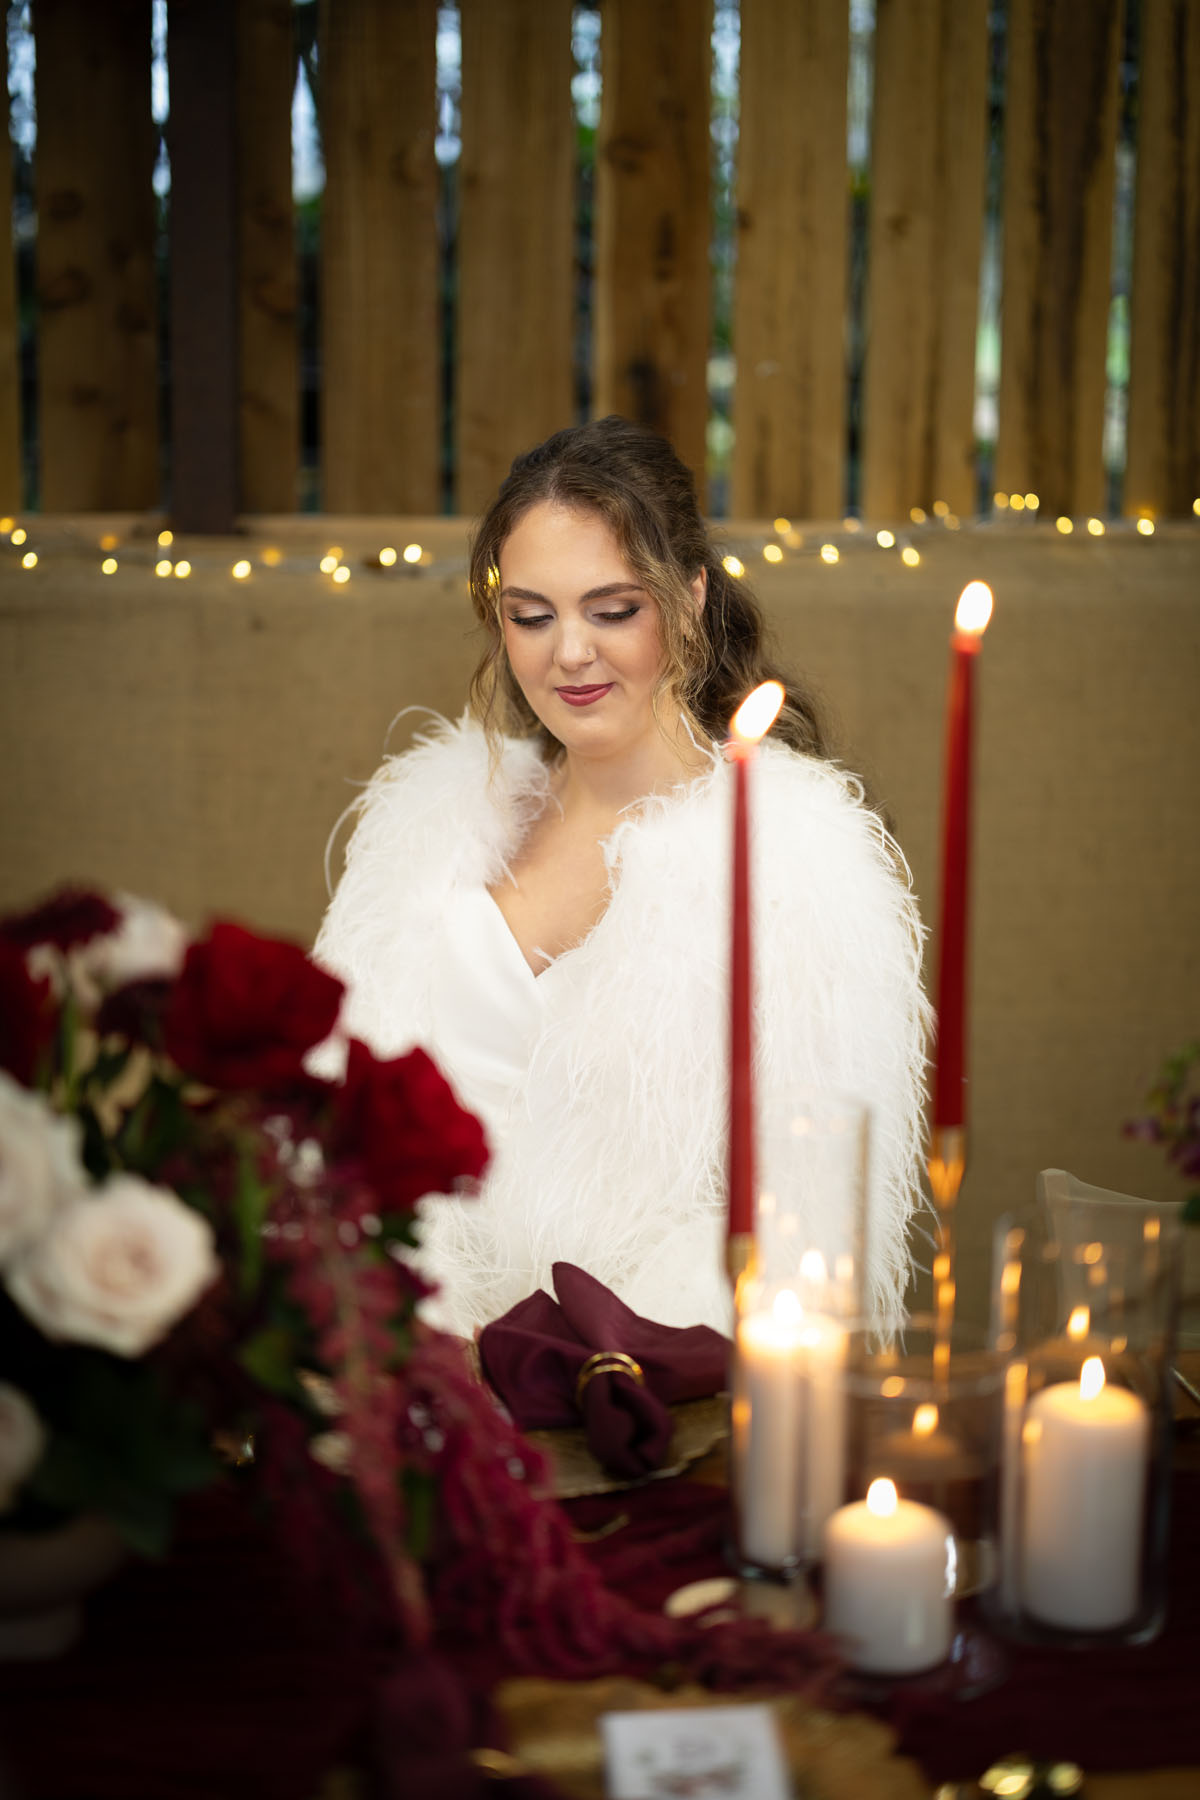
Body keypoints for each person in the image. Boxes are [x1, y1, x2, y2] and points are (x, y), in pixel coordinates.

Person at [313, 416, 930, 1336]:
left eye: (611, 610)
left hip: (653, 1394)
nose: (568, 652)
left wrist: (607, 1376)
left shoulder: (798, 863)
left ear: (687, 602)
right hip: (423, 1379)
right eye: (531, 615)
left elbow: (809, 1209)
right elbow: (338, 1130)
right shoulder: (424, 839)